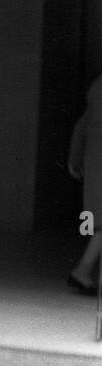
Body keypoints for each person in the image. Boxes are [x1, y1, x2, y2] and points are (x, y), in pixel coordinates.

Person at [68, 73, 102, 294]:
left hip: (94, 159)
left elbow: (83, 124)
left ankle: (85, 270)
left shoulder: (97, 86)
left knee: (98, 223)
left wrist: (75, 157)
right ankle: (84, 269)